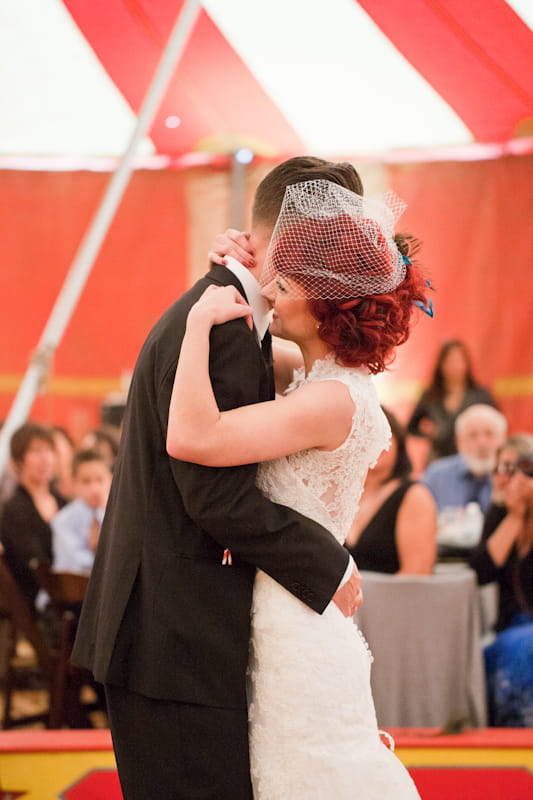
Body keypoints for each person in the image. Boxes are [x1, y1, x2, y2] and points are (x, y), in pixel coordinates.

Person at [71, 157, 367, 800]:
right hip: (175, 638)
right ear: (295, 242)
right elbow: (213, 495)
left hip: (177, 631)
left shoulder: (236, 318)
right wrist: (329, 561)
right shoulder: (225, 329)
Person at [167, 178, 429, 797]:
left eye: (286, 284)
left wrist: (197, 324)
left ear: (326, 302)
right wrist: (232, 263)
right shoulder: (319, 379)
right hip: (282, 608)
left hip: (295, 626)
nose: (271, 293)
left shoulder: (333, 400)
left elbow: (191, 437)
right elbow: (261, 337)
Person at [469, 435, 533, 727]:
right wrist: (515, 516)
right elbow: (481, 572)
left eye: (515, 468)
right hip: (508, 627)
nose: (506, 479)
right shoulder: (498, 513)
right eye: (500, 469)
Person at [346, 406, 437, 574]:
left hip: (394, 599)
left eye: (382, 436)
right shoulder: (338, 495)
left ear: (398, 441)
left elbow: (417, 575)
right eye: (365, 436)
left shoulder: (414, 496)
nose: (374, 443)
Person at [421, 403, 507, 559]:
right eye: (472, 435)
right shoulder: (436, 475)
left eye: (489, 434)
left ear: (503, 439)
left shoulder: (514, 478)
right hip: (443, 564)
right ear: (459, 441)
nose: (482, 443)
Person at [0, 422, 65, 611]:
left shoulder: (63, 502)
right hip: (39, 600)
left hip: (69, 589)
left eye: (49, 450)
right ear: (19, 461)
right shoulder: (15, 508)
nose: (45, 459)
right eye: (36, 451)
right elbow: (36, 565)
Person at [407, 338, 497, 464]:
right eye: (450, 361)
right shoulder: (430, 396)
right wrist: (429, 432)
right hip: (439, 457)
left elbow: (498, 422)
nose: (455, 366)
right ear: (441, 364)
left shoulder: (480, 395)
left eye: (459, 360)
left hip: (472, 458)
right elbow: (411, 427)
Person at [52, 449, 112, 574]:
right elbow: (78, 563)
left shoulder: (118, 516)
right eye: (86, 481)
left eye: (100, 480)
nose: (94, 488)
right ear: (74, 483)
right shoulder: (63, 520)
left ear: (111, 479)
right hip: (73, 587)